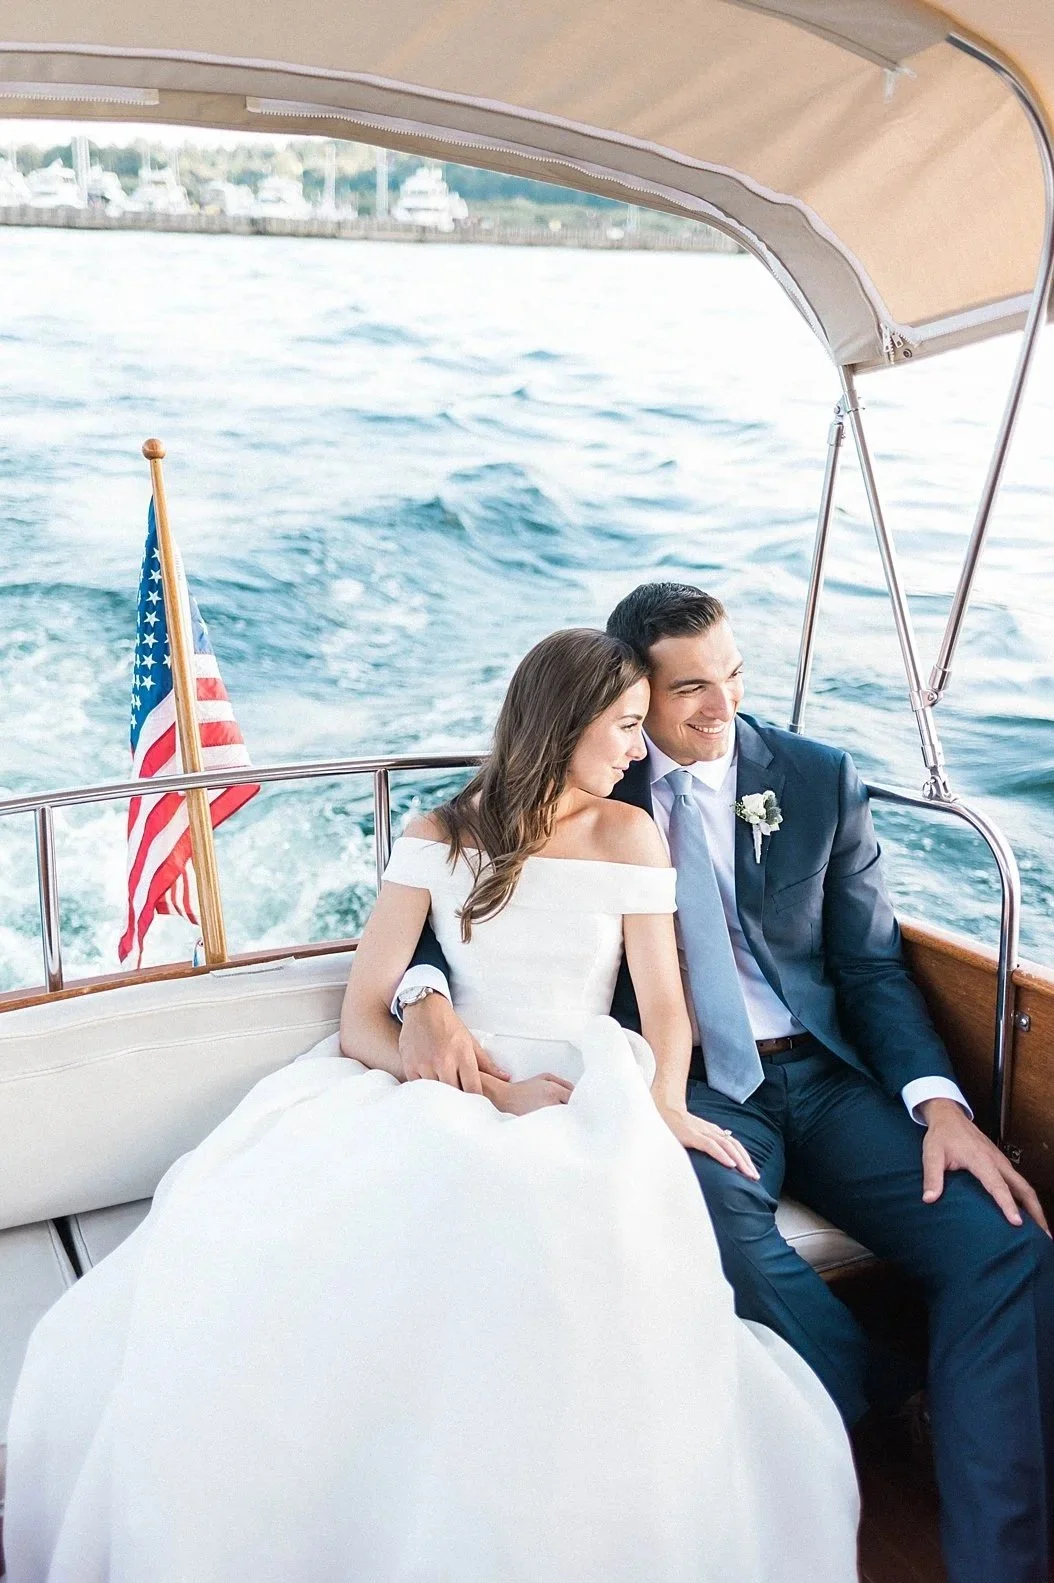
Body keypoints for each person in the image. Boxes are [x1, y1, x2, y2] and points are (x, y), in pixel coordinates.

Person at [4, 627, 857, 1583]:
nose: (634, 746)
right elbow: (364, 1016)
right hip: (450, 1083)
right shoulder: (436, 836)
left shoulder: (629, 833)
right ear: (565, 725)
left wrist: (661, 1105)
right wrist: (490, 1088)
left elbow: (666, 1007)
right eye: (621, 725)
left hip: (588, 1083)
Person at [396, 584, 1054, 1583]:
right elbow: (460, 910)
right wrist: (422, 992)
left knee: (1005, 1243)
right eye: (690, 687)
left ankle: (998, 1562)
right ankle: (889, 1391)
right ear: (628, 696)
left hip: (825, 1076)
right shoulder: (586, 778)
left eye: (733, 675)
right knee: (717, 1237)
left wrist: (940, 1102)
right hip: (682, 1077)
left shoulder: (817, 777)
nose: (722, 707)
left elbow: (870, 964)